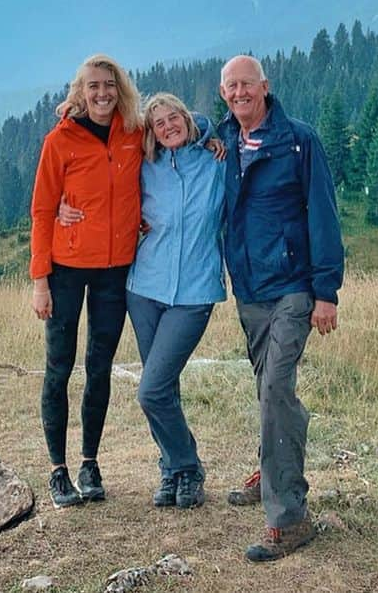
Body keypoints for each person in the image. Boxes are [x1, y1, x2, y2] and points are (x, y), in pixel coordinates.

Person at [58, 93, 227, 509]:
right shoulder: (144, 167)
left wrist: (205, 130)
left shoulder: (215, 161)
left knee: (151, 389)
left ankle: (188, 466)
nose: (168, 126)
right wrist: (64, 204)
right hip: (145, 288)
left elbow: (219, 125)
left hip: (195, 291)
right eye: (159, 123)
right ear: (149, 133)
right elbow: (102, 180)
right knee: (163, 387)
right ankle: (171, 470)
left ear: (187, 119)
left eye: (175, 118)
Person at [217, 54, 344, 563]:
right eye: (231, 86)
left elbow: (324, 213)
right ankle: (274, 472)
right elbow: (167, 125)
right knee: (268, 386)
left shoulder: (298, 140)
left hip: (293, 285)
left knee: (274, 388)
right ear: (223, 93)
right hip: (249, 287)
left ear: (265, 87)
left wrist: (326, 290)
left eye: (248, 84)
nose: (240, 93)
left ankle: (289, 518)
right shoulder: (222, 139)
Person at [29, 54, 144, 508]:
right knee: (59, 366)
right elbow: (42, 210)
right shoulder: (59, 141)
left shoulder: (134, 131)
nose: (102, 94)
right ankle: (58, 470)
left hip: (115, 270)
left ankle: (89, 462)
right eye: (93, 86)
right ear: (79, 92)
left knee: (100, 367)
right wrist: (40, 280)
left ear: (121, 89)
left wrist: (209, 137)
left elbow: (177, 122)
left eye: (109, 85)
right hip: (66, 269)